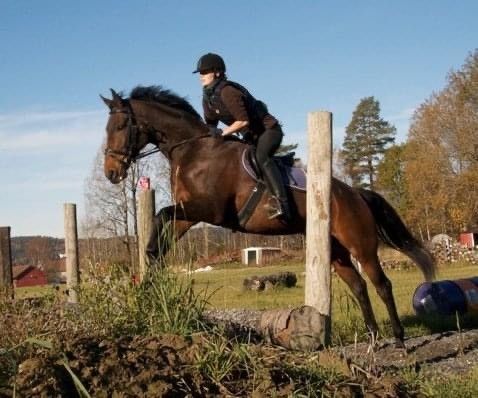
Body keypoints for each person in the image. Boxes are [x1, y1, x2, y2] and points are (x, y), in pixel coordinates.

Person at [193, 52, 292, 223]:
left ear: (217, 72)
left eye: (205, 72)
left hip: (269, 131)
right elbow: (211, 127)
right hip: (251, 136)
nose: (201, 76)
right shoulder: (207, 98)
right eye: (200, 73)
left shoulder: (228, 91)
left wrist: (223, 133)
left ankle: (283, 204)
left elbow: (243, 121)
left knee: (262, 156)